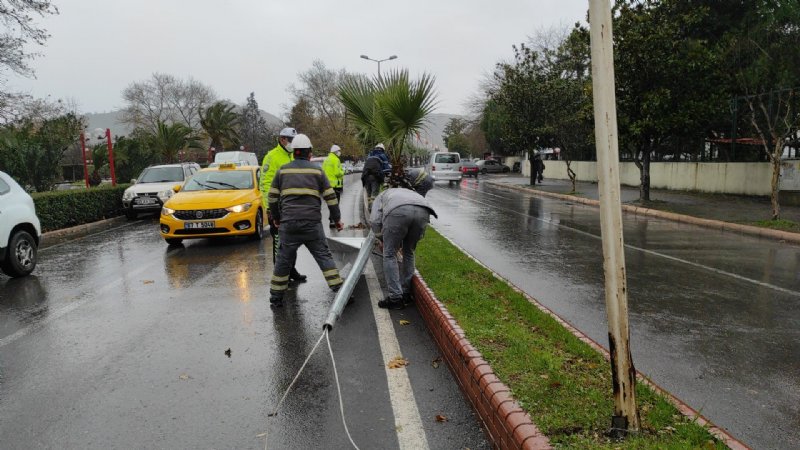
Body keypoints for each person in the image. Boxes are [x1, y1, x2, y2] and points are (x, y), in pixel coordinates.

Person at [267, 134, 344, 307]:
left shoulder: (283, 171)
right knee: (323, 256)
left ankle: (276, 297)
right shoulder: (317, 171)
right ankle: (339, 290)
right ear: (310, 153)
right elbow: (331, 198)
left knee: (283, 260)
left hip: (289, 225)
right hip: (312, 224)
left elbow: (272, 198)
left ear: (294, 153)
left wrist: (277, 219)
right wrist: (337, 219)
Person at [370, 173, 438, 310]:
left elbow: (375, 220)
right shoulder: (412, 193)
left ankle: (395, 298)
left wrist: (381, 239)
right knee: (409, 251)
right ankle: (406, 292)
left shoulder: (383, 195)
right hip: (424, 210)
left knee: (389, 254)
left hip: (398, 211)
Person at [260, 127, 306, 284]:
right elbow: (265, 184)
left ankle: (291, 270)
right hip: (278, 208)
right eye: (291, 140)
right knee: (279, 243)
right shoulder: (271, 157)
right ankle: (280, 275)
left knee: (293, 241)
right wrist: (269, 209)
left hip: (293, 207)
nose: (293, 143)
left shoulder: (293, 156)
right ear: (282, 139)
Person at [322, 144, 345, 227]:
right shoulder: (336, 160)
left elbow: (322, 172)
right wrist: (343, 172)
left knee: (329, 203)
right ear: (336, 152)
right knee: (335, 204)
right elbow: (337, 173)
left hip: (326, 185)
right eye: (339, 151)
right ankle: (334, 221)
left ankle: (331, 220)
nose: (340, 152)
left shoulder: (326, 160)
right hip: (335, 186)